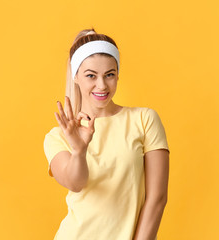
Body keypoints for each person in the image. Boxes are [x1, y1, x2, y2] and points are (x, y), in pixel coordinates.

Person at [43, 28, 170, 240]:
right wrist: (79, 150)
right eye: (91, 75)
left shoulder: (144, 119)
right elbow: (76, 183)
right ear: (76, 76)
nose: (101, 85)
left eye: (109, 75)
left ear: (118, 74)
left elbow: (157, 197)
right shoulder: (58, 136)